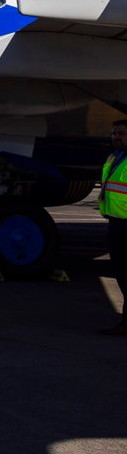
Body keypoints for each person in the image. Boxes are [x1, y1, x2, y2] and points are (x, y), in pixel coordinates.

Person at [99, 120, 127, 335]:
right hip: (116, 222)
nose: (116, 137)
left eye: (121, 133)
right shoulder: (114, 157)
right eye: (114, 133)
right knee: (121, 274)